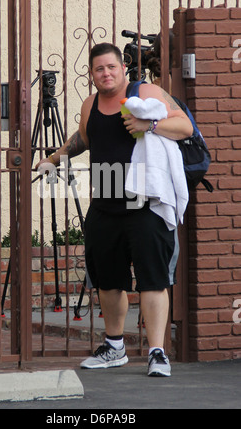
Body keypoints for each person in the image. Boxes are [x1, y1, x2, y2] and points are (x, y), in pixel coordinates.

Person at [35, 42, 193, 377]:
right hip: (105, 204)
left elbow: (185, 127)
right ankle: (115, 347)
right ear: (91, 74)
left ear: (123, 68)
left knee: (152, 280)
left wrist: (148, 126)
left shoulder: (146, 91)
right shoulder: (90, 104)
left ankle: (157, 352)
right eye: (98, 69)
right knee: (108, 282)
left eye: (111, 67)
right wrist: (52, 159)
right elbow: (83, 139)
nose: (106, 73)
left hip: (146, 204)